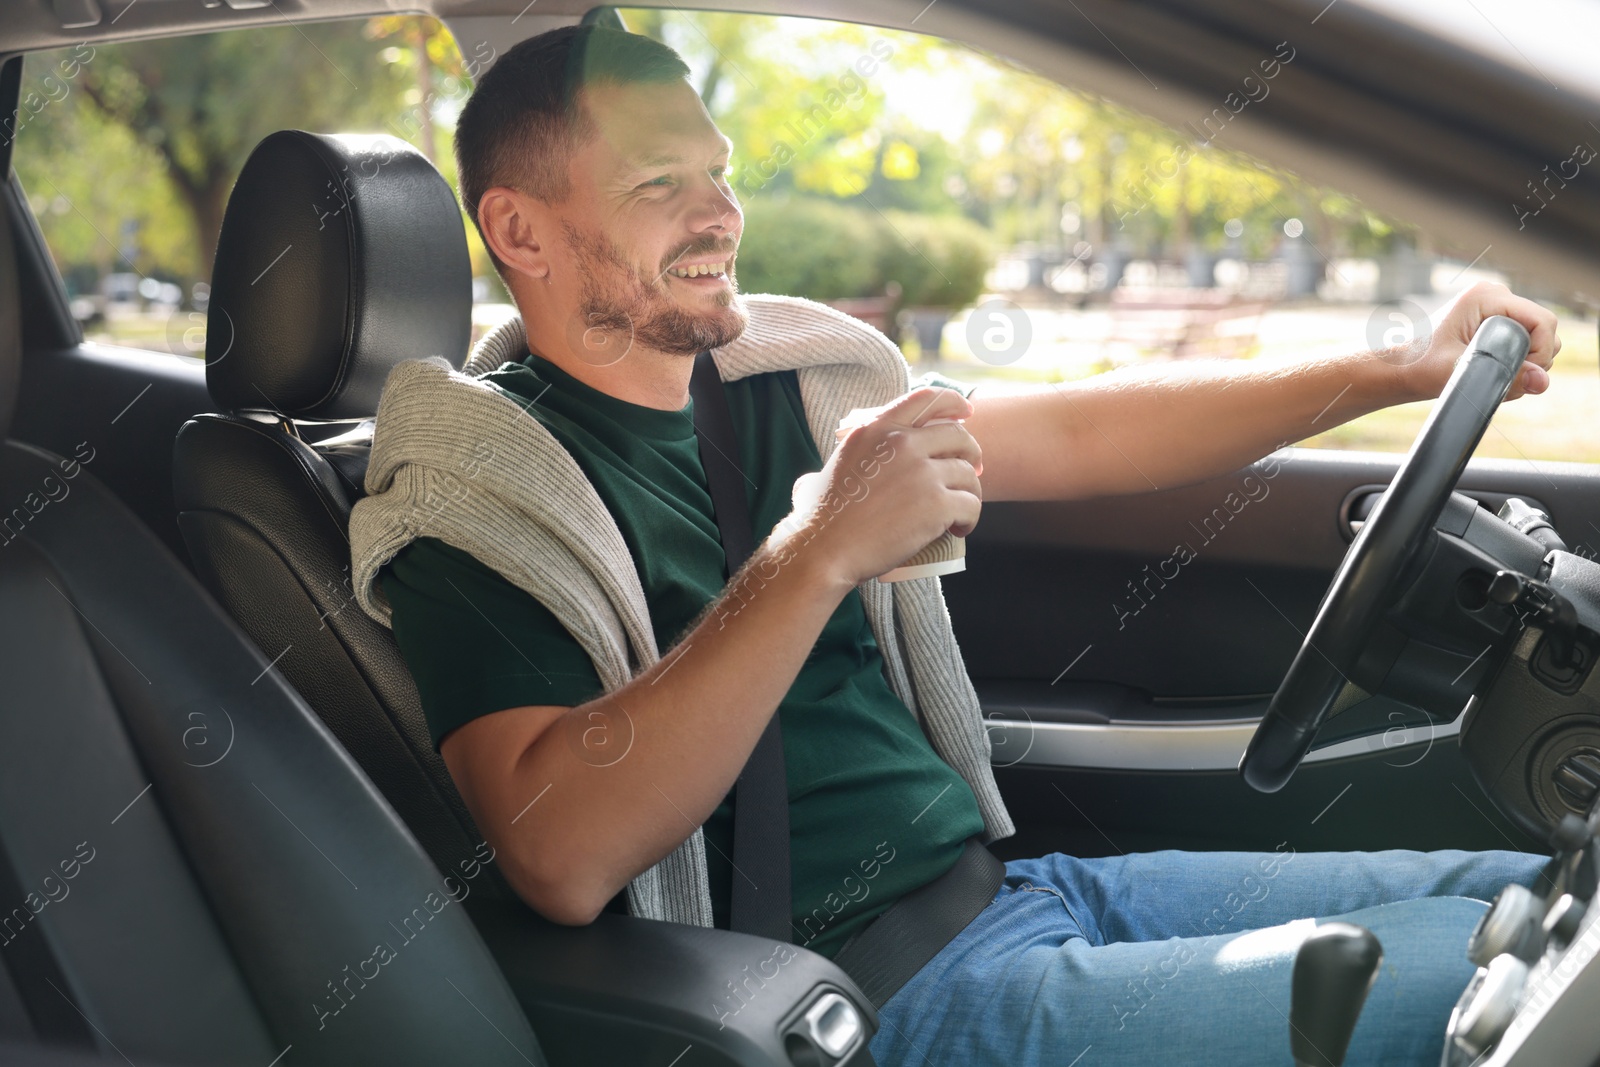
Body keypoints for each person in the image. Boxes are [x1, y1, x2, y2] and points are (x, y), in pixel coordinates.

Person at [348, 24, 1562, 1066]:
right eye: (661, 183)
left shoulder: (782, 385)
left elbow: (1082, 433)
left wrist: (1396, 369)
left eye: (717, 174)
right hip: (867, 995)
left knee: (1534, 902)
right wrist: (816, 547)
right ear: (521, 228)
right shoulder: (476, 501)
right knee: (1517, 1005)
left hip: (1020, 893)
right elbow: (558, 853)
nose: (722, 211)